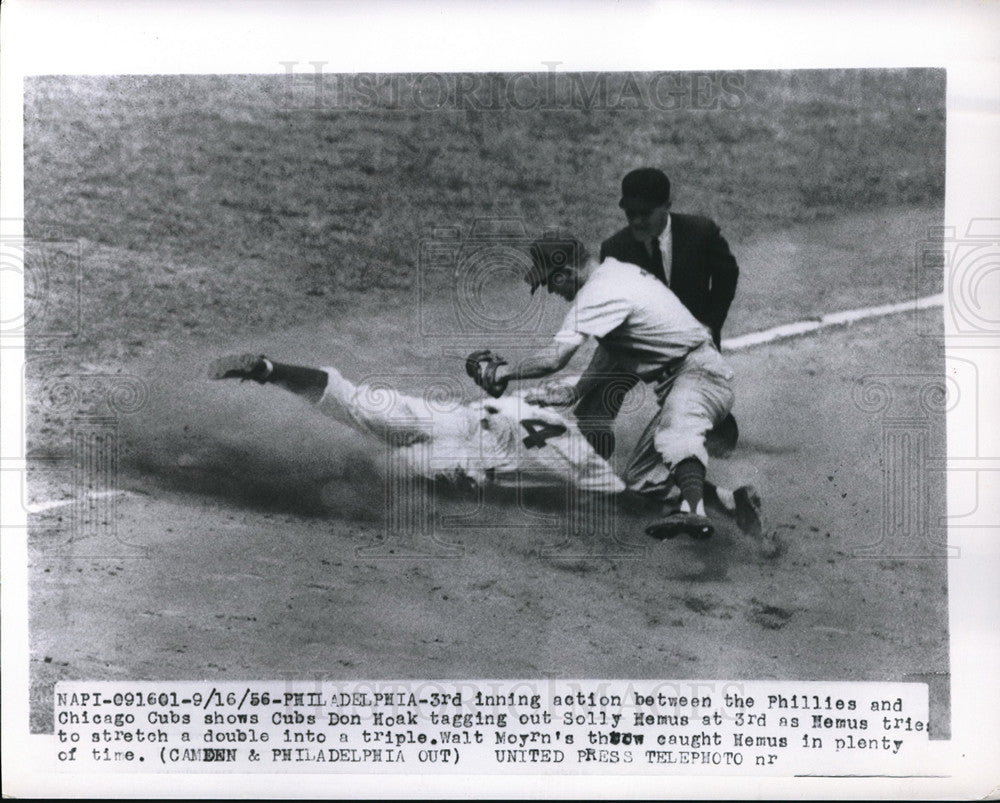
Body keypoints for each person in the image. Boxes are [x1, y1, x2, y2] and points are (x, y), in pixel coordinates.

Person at [209, 352, 761, 537]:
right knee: (379, 474)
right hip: (464, 456)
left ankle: (269, 369)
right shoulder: (582, 459)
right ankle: (289, 491)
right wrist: (722, 502)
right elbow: (634, 500)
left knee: (356, 402)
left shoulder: (551, 402)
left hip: (456, 418)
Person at [470, 234, 745, 541]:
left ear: (566, 273)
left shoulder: (597, 293)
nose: (551, 291)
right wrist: (577, 390)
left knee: (676, 433)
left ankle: (694, 512)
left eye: (550, 282)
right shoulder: (616, 272)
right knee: (643, 479)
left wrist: (504, 372)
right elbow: (612, 348)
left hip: (699, 375)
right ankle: (733, 503)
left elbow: (555, 359)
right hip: (688, 373)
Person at [574, 167, 740, 459]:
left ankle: (713, 421)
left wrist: (711, 324)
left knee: (691, 422)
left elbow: (727, 275)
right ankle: (595, 430)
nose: (637, 221)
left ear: (667, 206)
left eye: (645, 213)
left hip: (690, 346)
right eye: (631, 213)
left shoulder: (701, 232)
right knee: (597, 399)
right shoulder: (615, 248)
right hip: (641, 343)